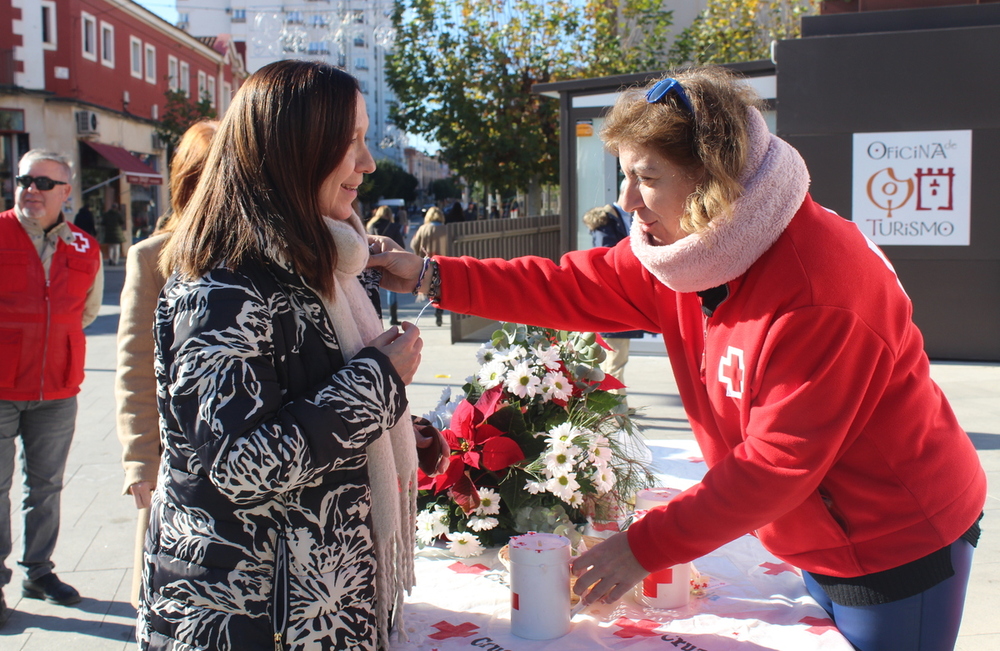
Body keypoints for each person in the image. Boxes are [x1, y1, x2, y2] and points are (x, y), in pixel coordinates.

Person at [370, 66, 987, 651]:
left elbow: (778, 464)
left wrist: (642, 548)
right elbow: (566, 285)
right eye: (624, 175)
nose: (628, 201)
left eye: (648, 177)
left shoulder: (819, 290)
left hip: (895, 545)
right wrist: (428, 274)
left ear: (715, 179)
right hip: (817, 533)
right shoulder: (695, 252)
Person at [138, 60, 445, 651]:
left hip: (314, 604)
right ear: (293, 151)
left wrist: (405, 427)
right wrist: (378, 384)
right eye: (349, 142)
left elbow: (312, 401)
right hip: (251, 616)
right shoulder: (219, 289)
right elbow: (239, 466)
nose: (367, 163)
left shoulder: (322, 263)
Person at [114, 119, 218, 608]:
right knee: (167, 590)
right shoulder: (152, 255)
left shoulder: (256, 250)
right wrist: (139, 458)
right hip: (175, 455)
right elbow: (135, 363)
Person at [0, 150, 103, 621]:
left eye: (44, 182)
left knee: (46, 487)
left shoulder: (84, 246)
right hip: (1, 386)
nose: (31, 189)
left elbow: (86, 312)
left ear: (67, 192)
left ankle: (38, 571)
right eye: (24, 180)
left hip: (57, 390)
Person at [581, 183, 645, 387]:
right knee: (613, 365)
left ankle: (617, 412)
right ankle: (620, 417)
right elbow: (606, 259)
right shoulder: (606, 221)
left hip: (624, 302)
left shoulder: (635, 218)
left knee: (615, 363)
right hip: (612, 303)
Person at [408, 206, 449, 327]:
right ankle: (439, 311)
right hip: (443, 264)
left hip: (427, 264)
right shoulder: (445, 229)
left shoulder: (423, 229)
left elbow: (414, 244)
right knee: (440, 288)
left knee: (430, 287)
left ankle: (434, 305)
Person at [366, 205, 405, 325]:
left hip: (372, 261)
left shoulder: (370, 225)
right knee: (391, 290)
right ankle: (393, 317)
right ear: (389, 214)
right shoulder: (393, 226)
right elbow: (401, 245)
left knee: (370, 288)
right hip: (389, 261)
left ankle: (371, 318)